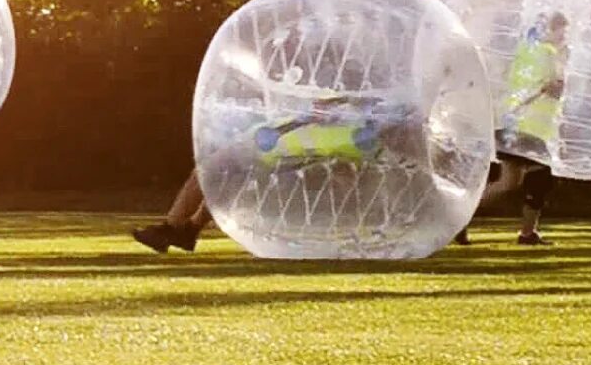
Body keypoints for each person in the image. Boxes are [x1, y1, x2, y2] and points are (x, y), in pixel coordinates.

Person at [132, 96, 422, 254]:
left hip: (274, 142)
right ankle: (190, 229)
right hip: (286, 154)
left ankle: (170, 227)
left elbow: (326, 115)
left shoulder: (369, 133)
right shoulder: (376, 141)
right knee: (228, 182)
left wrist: (329, 106)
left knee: (206, 171)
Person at [456, 12, 567, 247]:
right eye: (561, 30)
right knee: (540, 179)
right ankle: (527, 234)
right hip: (531, 128)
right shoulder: (549, 54)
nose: (564, 36)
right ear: (549, 30)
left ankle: (460, 219)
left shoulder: (522, 52)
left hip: (511, 123)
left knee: (508, 182)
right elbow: (554, 87)